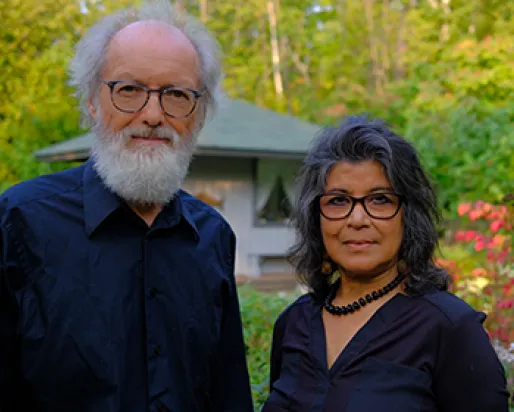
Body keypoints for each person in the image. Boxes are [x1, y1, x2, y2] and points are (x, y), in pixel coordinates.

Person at [0, 1, 254, 411]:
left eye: (176, 94)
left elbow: (229, 396)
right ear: (92, 100)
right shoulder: (19, 223)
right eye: (129, 90)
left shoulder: (213, 237)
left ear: (200, 113)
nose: (153, 114)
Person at [262, 116, 510, 411]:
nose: (357, 219)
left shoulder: (450, 328)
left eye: (379, 199)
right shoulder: (294, 323)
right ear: (316, 218)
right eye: (338, 201)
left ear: (409, 216)